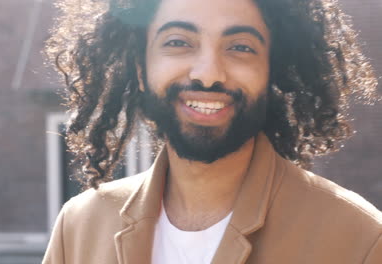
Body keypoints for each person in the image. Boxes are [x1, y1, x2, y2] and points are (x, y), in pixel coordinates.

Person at [43, 0, 382, 262]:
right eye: (178, 42)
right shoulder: (79, 227)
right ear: (141, 70)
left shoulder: (360, 238)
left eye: (240, 47)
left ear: (271, 72)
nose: (208, 74)